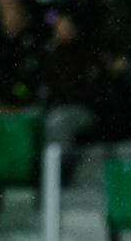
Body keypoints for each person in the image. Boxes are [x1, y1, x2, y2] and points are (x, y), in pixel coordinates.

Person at [40, 11, 108, 147]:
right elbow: (46, 84)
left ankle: (59, 168)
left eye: (67, 27)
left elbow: (93, 90)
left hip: (83, 108)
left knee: (58, 123)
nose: (63, 31)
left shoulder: (88, 53)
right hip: (55, 107)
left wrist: (63, 100)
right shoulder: (53, 55)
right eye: (60, 27)